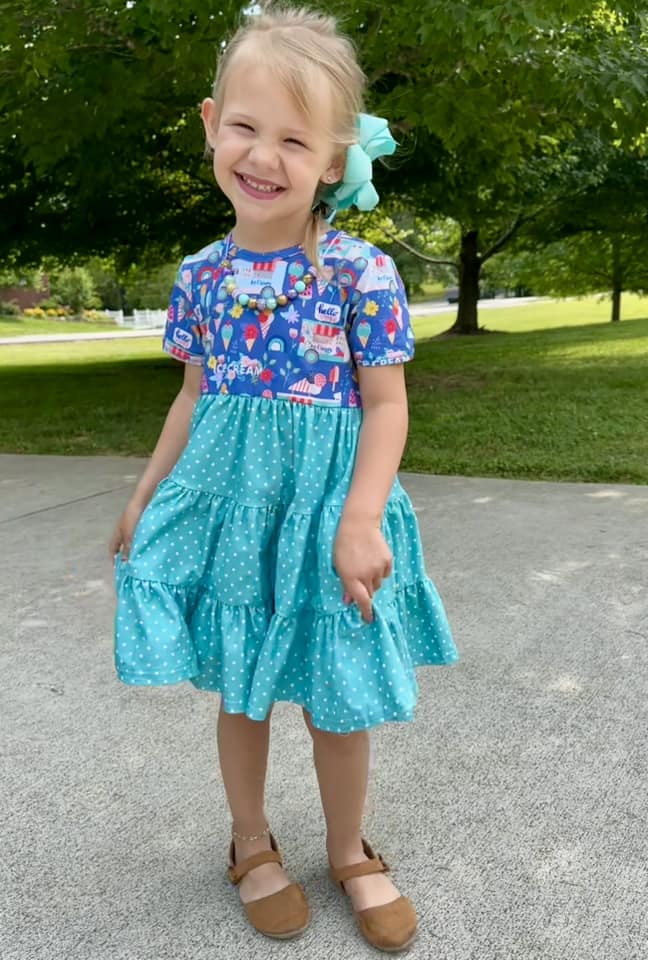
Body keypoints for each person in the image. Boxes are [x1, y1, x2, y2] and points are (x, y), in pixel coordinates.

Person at [110, 4, 458, 952]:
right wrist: (145, 494)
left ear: (335, 160)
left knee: (339, 693)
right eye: (246, 127)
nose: (263, 156)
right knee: (242, 689)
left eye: (295, 140)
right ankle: (251, 841)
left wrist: (361, 518)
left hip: (329, 514)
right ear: (211, 123)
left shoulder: (360, 274)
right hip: (234, 517)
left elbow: (385, 407)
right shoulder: (200, 276)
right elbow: (192, 398)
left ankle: (349, 850)